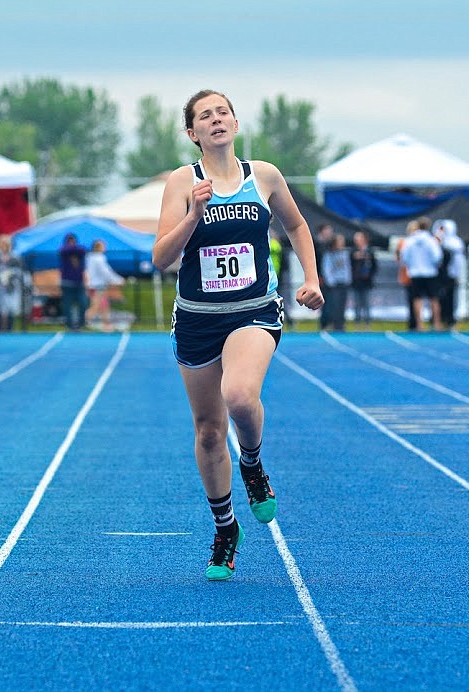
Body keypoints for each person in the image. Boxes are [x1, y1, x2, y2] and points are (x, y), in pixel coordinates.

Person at [153, 89, 323, 581]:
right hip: (197, 318)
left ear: (235, 123)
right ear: (193, 133)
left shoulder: (264, 175)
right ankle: (226, 528)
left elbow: (297, 226)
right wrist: (193, 216)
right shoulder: (183, 182)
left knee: (241, 397)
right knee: (208, 430)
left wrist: (311, 280)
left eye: (222, 111)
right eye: (205, 116)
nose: (216, 119)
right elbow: (160, 258)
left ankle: (252, 461)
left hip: (253, 310)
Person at [400, 218, 444, 330]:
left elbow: (404, 257)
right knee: (434, 298)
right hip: (430, 272)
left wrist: (412, 266)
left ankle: (420, 324)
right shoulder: (431, 240)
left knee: (417, 299)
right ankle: (436, 323)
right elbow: (437, 257)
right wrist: (432, 265)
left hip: (415, 273)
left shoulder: (410, 240)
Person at [84, 239, 125, 330]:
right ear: (98, 247)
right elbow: (106, 272)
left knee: (104, 305)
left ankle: (106, 325)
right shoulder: (99, 258)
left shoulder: (91, 257)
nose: (104, 247)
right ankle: (81, 322)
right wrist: (118, 280)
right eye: (103, 245)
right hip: (97, 285)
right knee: (96, 306)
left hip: (94, 284)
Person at [433, 219, 466, 328]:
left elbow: (458, 261)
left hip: (450, 274)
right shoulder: (435, 241)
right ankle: (438, 319)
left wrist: (457, 273)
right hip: (438, 275)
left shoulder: (456, 242)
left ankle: (450, 319)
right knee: (438, 297)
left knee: (450, 297)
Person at [320, 233, 351, 331]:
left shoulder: (345, 253)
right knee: (333, 305)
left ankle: (340, 324)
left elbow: (347, 268)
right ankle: (331, 324)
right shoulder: (329, 254)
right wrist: (331, 282)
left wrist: (348, 279)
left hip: (344, 282)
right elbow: (327, 268)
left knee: (342, 305)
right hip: (334, 284)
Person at [58, 232, 87, 329]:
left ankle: (81, 323)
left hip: (79, 283)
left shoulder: (79, 251)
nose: (72, 243)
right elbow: (63, 250)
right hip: (67, 283)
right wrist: (72, 248)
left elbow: (83, 250)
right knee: (67, 305)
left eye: (73, 241)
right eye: (69, 241)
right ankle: (70, 325)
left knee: (83, 303)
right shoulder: (63, 251)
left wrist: (73, 248)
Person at [350, 230, 377, 328]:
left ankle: (367, 323)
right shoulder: (352, 252)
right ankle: (357, 323)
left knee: (367, 303)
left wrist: (369, 275)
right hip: (356, 282)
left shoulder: (370, 251)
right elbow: (349, 266)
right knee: (356, 304)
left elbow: (375, 266)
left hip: (366, 282)